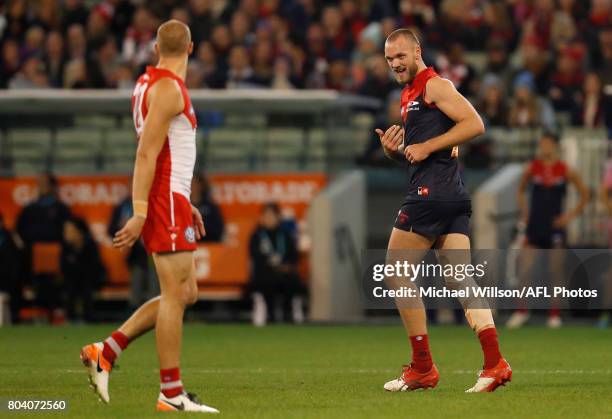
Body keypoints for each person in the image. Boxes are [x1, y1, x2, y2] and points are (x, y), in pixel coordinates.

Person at [79, 20, 218, 413]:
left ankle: (106, 350)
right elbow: (146, 153)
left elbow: (164, 151)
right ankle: (170, 393)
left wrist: (183, 198)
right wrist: (141, 210)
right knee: (176, 296)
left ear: (157, 48)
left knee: (186, 293)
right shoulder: (170, 89)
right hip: (162, 201)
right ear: (191, 48)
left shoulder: (146, 83)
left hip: (172, 198)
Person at [377, 29, 511, 393]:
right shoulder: (410, 95)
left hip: (429, 195)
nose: (395, 64)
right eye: (389, 60)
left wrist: (427, 147)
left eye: (400, 56)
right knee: (460, 279)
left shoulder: (434, 86)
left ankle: (422, 368)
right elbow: (423, 150)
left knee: (396, 273)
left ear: (417, 51)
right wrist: (397, 151)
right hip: (451, 194)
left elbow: (474, 124)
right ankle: (494, 363)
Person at [507, 132, 590, 329]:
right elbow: (520, 191)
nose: (543, 148)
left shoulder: (565, 170)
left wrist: (568, 217)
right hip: (534, 226)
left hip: (554, 228)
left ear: (554, 146)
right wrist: (524, 211)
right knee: (524, 269)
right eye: (541, 144)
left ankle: (554, 315)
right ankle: (521, 312)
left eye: (547, 144)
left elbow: (585, 195)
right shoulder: (532, 168)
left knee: (556, 272)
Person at [248, 203, 304, 326]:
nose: (268, 219)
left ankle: (289, 313)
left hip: (284, 272)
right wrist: (273, 266)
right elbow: (255, 256)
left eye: (272, 215)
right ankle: (270, 313)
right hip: (265, 272)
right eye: (266, 215)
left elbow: (293, 255)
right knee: (266, 280)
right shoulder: (257, 235)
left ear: (278, 217)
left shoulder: (285, 234)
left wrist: (286, 266)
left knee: (293, 279)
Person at [107, 186, 155, 308]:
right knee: (137, 280)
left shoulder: (153, 203)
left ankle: (154, 309)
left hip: (153, 250)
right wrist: (122, 230)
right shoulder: (123, 207)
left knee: (155, 284)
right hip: (135, 253)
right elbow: (112, 229)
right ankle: (135, 309)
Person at [61, 217, 105, 322]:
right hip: (72, 280)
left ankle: (89, 319)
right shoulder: (66, 247)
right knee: (70, 288)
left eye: (70, 231)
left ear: (79, 232)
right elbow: (63, 268)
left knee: (87, 289)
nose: (66, 234)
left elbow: (94, 268)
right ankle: (70, 319)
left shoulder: (90, 245)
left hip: (90, 280)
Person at [190, 174, 225, 242]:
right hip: (189, 244)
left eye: (195, 184)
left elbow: (218, 229)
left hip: (209, 244)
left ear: (201, 186)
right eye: (191, 183)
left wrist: (202, 227)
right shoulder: (183, 207)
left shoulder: (211, 207)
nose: (193, 186)